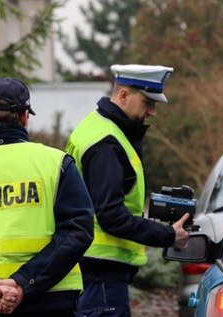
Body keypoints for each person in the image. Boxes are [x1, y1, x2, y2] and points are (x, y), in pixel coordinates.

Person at [65, 64, 190, 317]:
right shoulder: (107, 144)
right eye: (147, 102)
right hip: (101, 274)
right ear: (123, 96)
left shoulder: (98, 127)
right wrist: (168, 235)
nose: (152, 112)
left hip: (93, 271)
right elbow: (111, 215)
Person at [0, 77, 94, 316]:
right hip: (50, 299)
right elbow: (78, 231)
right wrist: (23, 282)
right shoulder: (56, 163)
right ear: (25, 117)